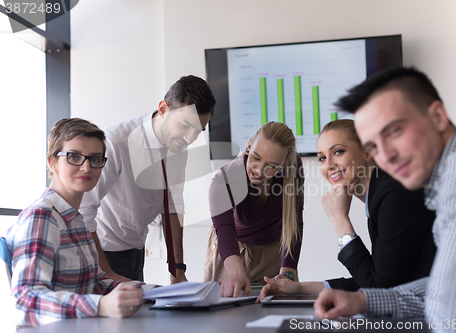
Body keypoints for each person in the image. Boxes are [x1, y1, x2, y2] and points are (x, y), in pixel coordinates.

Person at [314, 67, 456, 332]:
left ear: (437, 116)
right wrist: (363, 300)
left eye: (394, 131)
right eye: (373, 146)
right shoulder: (448, 180)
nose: (385, 156)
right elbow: (441, 287)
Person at [258, 119, 435, 300]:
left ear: (367, 152)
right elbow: (377, 277)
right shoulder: (382, 193)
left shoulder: (394, 195)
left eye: (338, 152)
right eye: (322, 158)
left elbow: (380, 289)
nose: (329, 165)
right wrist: (300, 288)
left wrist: (340, 220)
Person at [6, 118, 144, 327]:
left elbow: (96, 284)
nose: (86, 167)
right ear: (52, 162)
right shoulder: (41, 217)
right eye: (75, 157)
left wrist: (153, 292)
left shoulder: (75, 218)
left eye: (95, 159)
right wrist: (99, 306)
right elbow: (25, 301)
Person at [80, 75, 216, 283]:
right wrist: (105, 271)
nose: (190, 138)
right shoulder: (116, 142)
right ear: (163, 109)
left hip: (136, 251)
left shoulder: (179, 147)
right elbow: (85, 210)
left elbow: (172, 207)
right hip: (102, 253)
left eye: (198, 131)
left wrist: (177, 271)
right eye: (185, 125)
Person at [204, 121, 304, 297]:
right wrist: (235, 273)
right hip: (230, 250)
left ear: (285, 163)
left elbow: (294, 221)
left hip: (271, 251)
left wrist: (288, 272)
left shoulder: (294, 167)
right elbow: (225, 229)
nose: (259, 170)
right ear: (249, 145)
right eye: (256, 158)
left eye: (272, 166)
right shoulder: (224, 180)